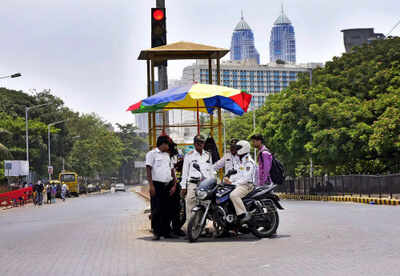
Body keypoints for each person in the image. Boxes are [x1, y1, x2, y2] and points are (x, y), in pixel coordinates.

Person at [146, 135, 177, 241]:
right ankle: (156, 232)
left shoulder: (167, 155)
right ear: (162, 144)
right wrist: (151, 185)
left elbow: (172, 170)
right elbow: (148, 169)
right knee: (156, 209)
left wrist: (174, 184)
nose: (169, 146)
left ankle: (166, 232)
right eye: (167, 144)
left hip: (168, 185)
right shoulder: (152, 154)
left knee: (167, 209)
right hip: (156, 185)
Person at [181, 135, 213, 227]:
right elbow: (185, 172)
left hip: (205, 184)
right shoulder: (189, 155)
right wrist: (183, 187)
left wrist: (212, 182)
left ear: (204, 144)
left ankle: (201, 227)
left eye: (201, 142)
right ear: (194, 143)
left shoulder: (208, 155)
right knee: (190, 203)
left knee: (204, 205)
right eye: (197, 142)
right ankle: (190, 227)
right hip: (193, 183)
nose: (199, 144)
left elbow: (210, 170)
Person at [224, 140, 256, 224]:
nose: (236, 150)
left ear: (244, 149)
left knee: (233, 195)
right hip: (240, 184)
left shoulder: (249, 162)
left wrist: (234, 183)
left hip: (247, 185)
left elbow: (246, 178)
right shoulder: (241, 160)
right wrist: (229, 180)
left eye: (238, 148)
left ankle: (243, 215)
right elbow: (238, 174)